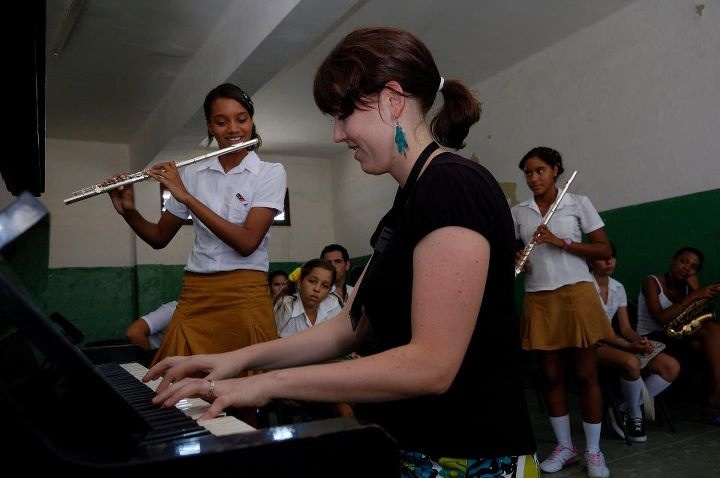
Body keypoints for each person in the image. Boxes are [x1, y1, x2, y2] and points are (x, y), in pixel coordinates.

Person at [145, 26, 538, 477]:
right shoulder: (407, 202)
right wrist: (234, 361)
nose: (336, 134)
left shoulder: (451, 185)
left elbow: (431, 366)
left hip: (469, 456)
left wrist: (266, 386)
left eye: (342, 115)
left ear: (392, 99)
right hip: (415, 445)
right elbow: (347, 327)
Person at [107, 83, 287, 365]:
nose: (233, 129)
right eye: (221, 121)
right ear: (209, 127)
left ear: (252, 121)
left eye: (242, 119)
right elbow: (158, 237)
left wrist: (187, 198)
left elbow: (247, 243)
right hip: (196, 292)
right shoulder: (191, 173)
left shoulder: (270, 173)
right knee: (175, 384)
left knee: (242, 390)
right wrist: (128, 211)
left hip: (244, 292)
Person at [512, 146, 613, 477]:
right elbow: (512, 249)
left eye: (539, 170)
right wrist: (516, 258)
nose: (533, 178)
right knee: (551, 377)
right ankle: (565, 447)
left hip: (576, 294)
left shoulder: (577, 202)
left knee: (586, 375)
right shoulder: (520, 212)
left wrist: (561, 242)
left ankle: (594, 451)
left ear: (555, 170)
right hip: (539, 297)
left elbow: (603, 248)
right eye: (528, 172)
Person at [590, 244, 680, 442]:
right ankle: (634, 414)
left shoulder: (617, 287)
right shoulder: (583, 288)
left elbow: (626, 329)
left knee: (670, 367)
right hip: (591, 344)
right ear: (590, 261)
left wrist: (640, 341)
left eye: (612, 257)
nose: (609, 262)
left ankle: (622, 408)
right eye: (603, 258)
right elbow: (594, 331)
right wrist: (627, 346)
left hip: (615, 341)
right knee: (631, 362)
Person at [636, 246, 720, 425]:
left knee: (713, 332)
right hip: (650, 338)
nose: (686, 268)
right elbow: (660, 318)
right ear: (673, 260)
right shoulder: (652, 281)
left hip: (673, 337)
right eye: (683, 261)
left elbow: (700, 319)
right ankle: (714, 399)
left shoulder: (688, 287)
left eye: (693, 267)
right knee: (706, 344)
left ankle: (715, 395)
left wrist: (696, 290)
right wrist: (695, 295)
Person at [274, 258, 342, 338]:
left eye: (325, 286)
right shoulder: (286, 306)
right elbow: (284, 347)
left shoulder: (333, 304)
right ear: (300, 281)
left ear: (329, 290)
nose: (317, 289)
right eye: (312, 281)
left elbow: (340, 341)